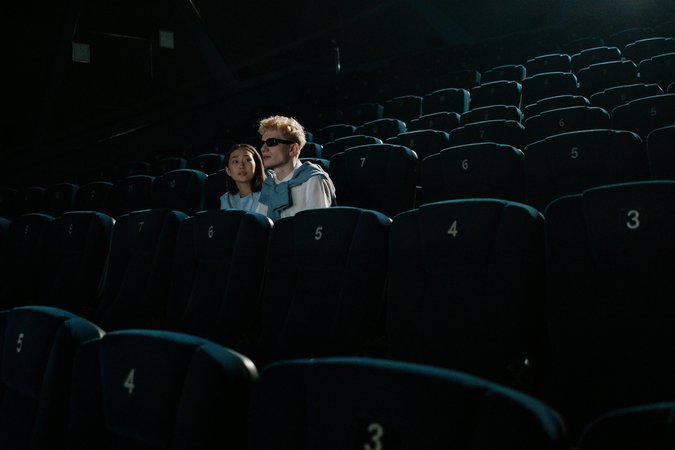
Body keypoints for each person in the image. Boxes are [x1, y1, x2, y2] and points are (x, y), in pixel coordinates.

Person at [256, 115, 336, 221]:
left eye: (272, 142)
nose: (263, 148)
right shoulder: (269, 183)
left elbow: (317, 226)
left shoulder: (314, 180)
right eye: (262, 143)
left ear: (293, 149)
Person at [220, 143, 266, 212]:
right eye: (235, 161)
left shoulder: (268, 193)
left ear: (256, 166)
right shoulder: (226, 199)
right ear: (228, 170)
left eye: (247, 160)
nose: (241, 166)